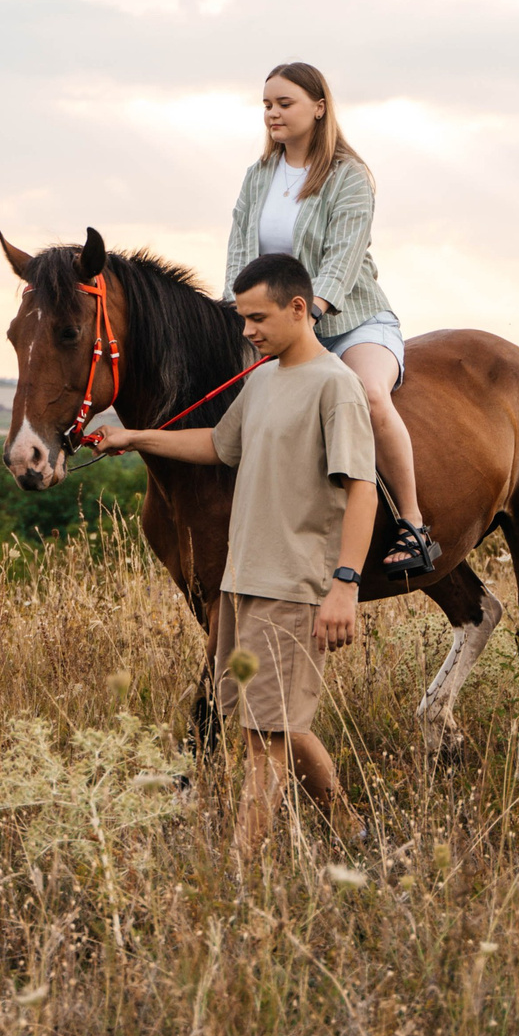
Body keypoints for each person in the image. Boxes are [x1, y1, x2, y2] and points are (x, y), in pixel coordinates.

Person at [97, 253, 376, 854]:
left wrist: (345, 585)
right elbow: (220, 446)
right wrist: (134, 437)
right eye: (242, 317)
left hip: (292, 584)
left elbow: (362, 489)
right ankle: (353, 830)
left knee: (263, 739)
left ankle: (242, 874)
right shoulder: (263, 380)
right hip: (240, 583)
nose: (246, 330)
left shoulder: (336, 387)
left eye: (258, 318)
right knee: (273, 724)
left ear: (298, 309)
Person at [223, 62, 434, 576]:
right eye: (267, 104)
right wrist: (236, 314)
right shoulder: (258, 176)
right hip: (281, 328)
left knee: (370, 394)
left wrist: (313, 312)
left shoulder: (349, 176)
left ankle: (413, 523)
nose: (272, 113)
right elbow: (239, 253)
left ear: (319, 108)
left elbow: (343, 257)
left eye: (284, 103)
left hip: (352, 320)